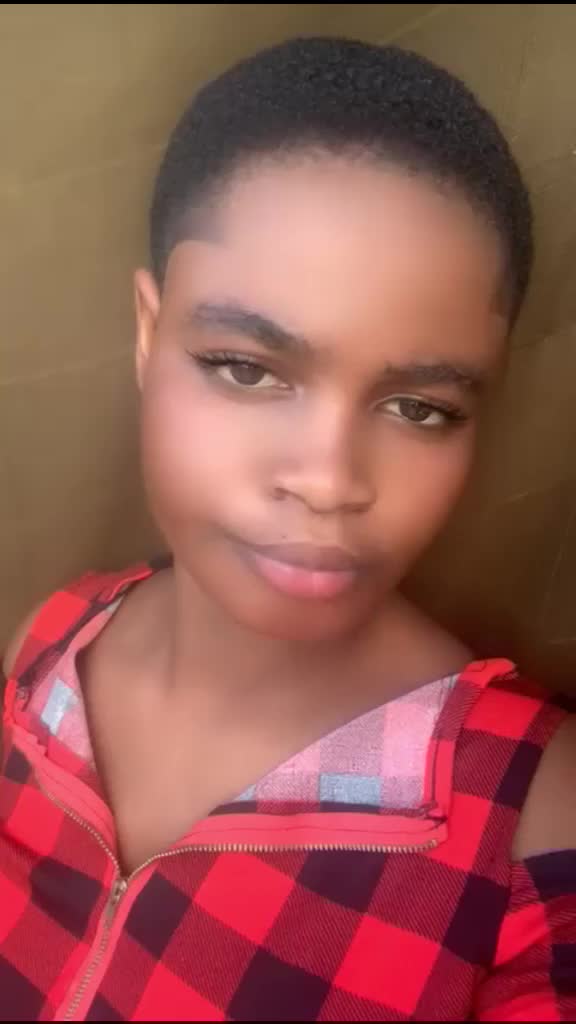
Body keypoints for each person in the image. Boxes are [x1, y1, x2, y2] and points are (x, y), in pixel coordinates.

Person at [1, 36, 574, 1023]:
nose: (327, 480)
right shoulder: (48, 649)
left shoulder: (530, 823)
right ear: (149, 335)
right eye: (246, 368)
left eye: (420, 409)